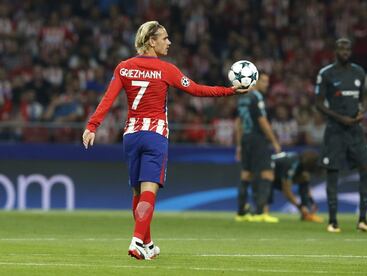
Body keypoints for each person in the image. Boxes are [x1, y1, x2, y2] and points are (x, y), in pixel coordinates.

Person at [82, 21, 248, 260]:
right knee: (149, 190)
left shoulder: (124, 67)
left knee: (138, 193)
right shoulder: (166, 70)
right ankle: (136, 241)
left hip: (131, 135)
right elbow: (197, 90)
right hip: (155, 135)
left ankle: (147, 244)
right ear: (151, 41)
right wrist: (230, 90)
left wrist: (92, 125)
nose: (169, 42)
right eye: (165, 38)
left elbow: (108, 99)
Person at [314, 38, 367, 233]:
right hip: (335, 130)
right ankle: (333, 222)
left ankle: (363, 220)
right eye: (341, 47)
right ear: (335, 50)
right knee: (333, 172)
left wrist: (361, 111)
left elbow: (362, 98)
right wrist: (341, 118)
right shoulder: (326, 73)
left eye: (348, 48)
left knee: (366, 169)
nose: (345, 51)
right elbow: (318, 103)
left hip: (355, 130)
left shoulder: (359, 72)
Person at [235, 72, 281, 223]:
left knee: (246, 174)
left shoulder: (242, 97)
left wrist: (239, 145)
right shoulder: (256, 97)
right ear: (255, 81)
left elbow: (239, 124)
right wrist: (274, 141)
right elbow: (262, 121)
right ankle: (261, 212)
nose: (266, 84)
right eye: (263, 81)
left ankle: (241, 213)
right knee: (267, 174)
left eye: (268, 81)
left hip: (246, 139)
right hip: (258, 139)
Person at [269, 151, 323, 223]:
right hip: (265, 171)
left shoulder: (300, 163)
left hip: (277, 175)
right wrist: (299, 207)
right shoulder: (293, 164)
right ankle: (262, 212)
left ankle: (307, 212)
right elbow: (286, 191)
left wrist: (312, 201)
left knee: (304, 179)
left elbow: (306, 184)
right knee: (268, 185)